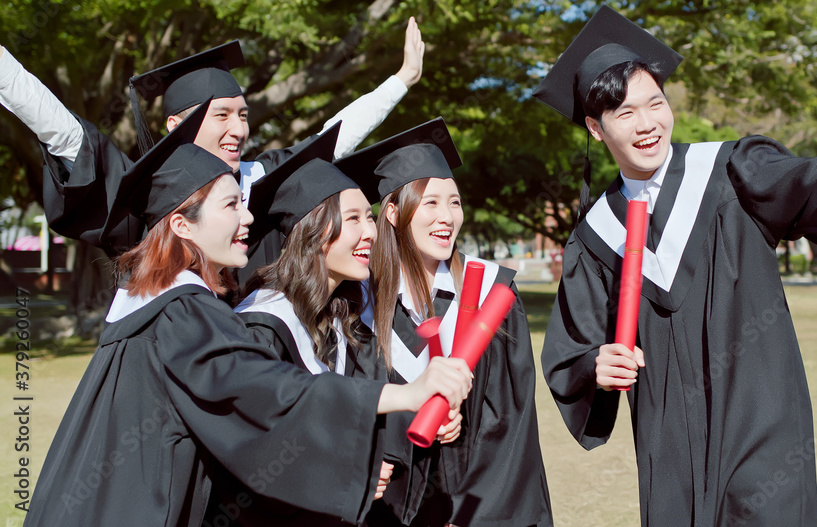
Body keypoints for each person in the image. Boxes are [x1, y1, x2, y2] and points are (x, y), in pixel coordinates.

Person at [533, 6, 817, 526]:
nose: (647, 124)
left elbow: (813, 182)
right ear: (596, 129)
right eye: (624, 114)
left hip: (762, 426)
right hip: (669, 451)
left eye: (655, 103)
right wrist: (596, 367)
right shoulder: (597, 235)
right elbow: (573, 347)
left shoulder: (731, 172)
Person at [22, 99, 473, 527]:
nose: (248, 218)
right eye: (231, 205)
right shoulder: (181, 311)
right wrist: (402, 397)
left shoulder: (162, 303)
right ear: (182, 225)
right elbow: (260, 390)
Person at [205, 121, 462, 526]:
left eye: (370, 217)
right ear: (314, 233)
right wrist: (343, 470)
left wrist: (423, 413)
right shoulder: (262, 326)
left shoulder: (340, 316)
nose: (371, 233)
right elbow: (252, 444)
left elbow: (356, 406)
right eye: (354, 219)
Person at [0, 16, 425, 258]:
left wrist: (400, 81)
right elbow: (69, 137)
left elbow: (331, 137)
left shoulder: (261, 180)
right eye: (220, 115)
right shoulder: (152, 198)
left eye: (242, 115)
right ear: (175, 127)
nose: (238, 129)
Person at [334, 118, 553, 527]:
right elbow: (345, 402)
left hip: (473, 508)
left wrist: (474, 514)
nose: (447, 216)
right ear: (394, 213)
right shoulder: (357, 304)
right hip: (384, 509)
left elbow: (511, 420)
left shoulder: (494, 292)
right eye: (430, 202)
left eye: (454, 202)